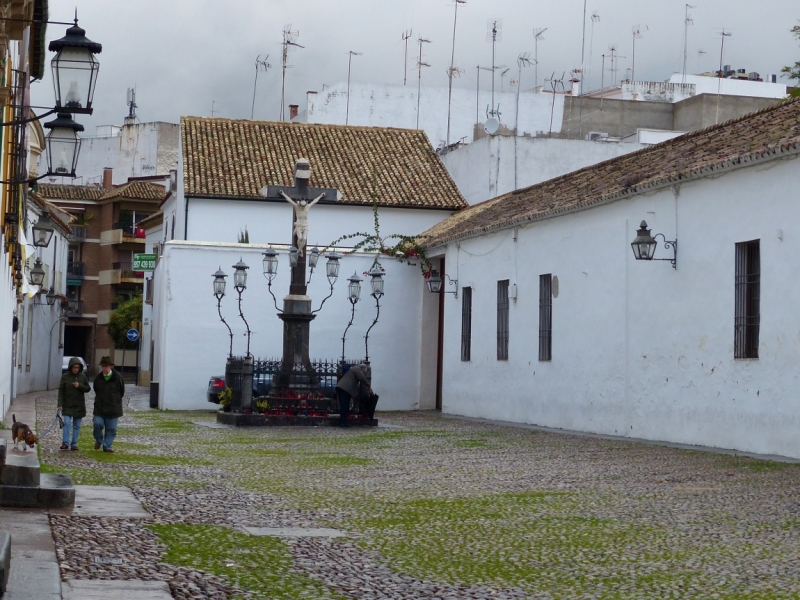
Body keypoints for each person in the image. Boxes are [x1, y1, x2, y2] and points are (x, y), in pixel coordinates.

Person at [57, 357, 90, 451]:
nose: (76, 369)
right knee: (66, 423)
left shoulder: (83, 377)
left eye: (77, 367)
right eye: (74, 367)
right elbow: (61, 390)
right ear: (70, 367)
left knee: (76, 425)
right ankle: (65, 443)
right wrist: (60, 403)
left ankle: (74, 443)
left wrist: (80, 386)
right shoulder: (65, 377)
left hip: (79, 405)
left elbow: (88, 388)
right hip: (67, 404)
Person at [92, 356, 125, 452]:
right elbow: (96, 390)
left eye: (106, 366)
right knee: (97, 424)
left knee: (111, 429)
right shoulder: (98, 379)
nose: (104, 369)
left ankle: (107, 446)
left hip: (113, 408)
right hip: (100, 408)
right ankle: (98, 440)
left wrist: (115, 400)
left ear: (110, 367)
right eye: (103, 366)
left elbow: (121, 391)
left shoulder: (117, 377)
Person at [335, 363, 371, 427]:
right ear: (362, 369)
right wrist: (368, 384)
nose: (364, 373)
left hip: (341, 387)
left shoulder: (353, 369)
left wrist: (354, 394)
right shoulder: (357, 369)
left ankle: (342, 422)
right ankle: (343, 423)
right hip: (345, 389)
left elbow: (353, 383)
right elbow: (361, 377)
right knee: (345, 407)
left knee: (344, 407)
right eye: (364, 372)